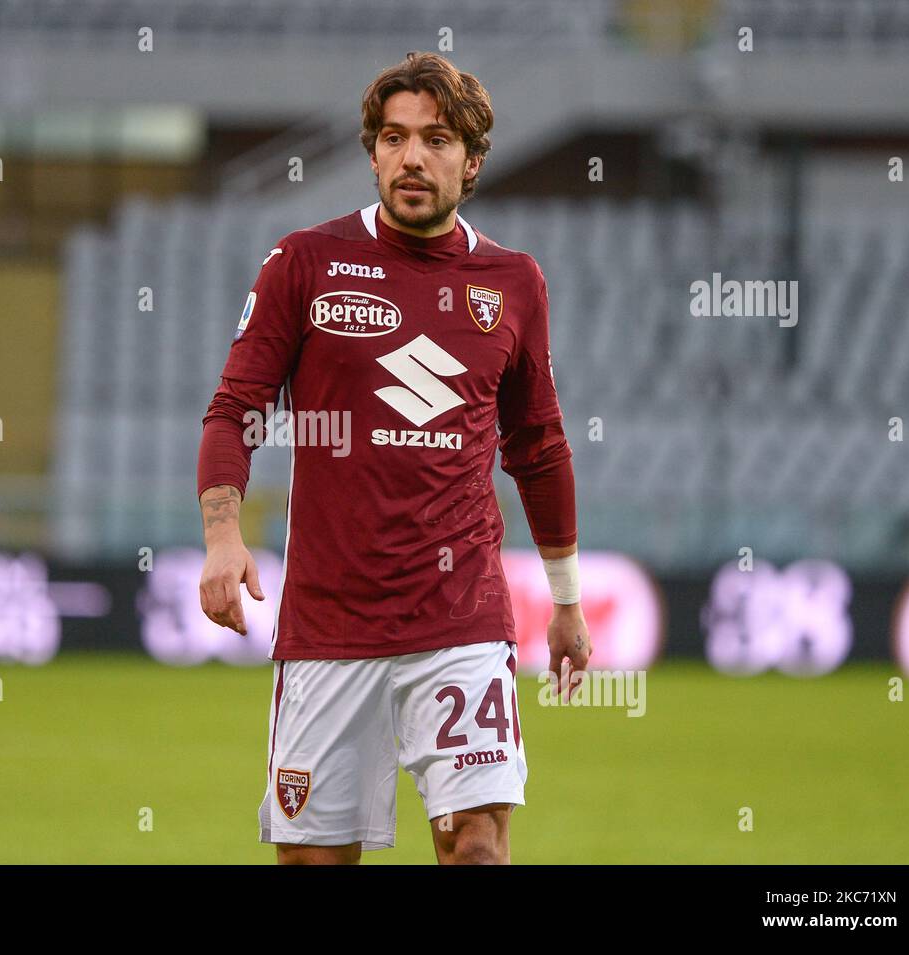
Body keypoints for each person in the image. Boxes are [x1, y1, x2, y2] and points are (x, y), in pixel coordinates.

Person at [196, 51, 591, 865]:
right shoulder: (302, 262)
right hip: (328, 625)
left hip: (461, 619)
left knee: (475, 846)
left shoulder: (513, 282)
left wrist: (566, 600)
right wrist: (222, 535)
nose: (413, 157)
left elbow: (539, 446)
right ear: (373, 152)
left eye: (437, 139)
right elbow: (236, 409)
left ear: (472, 160)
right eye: (394, 137)